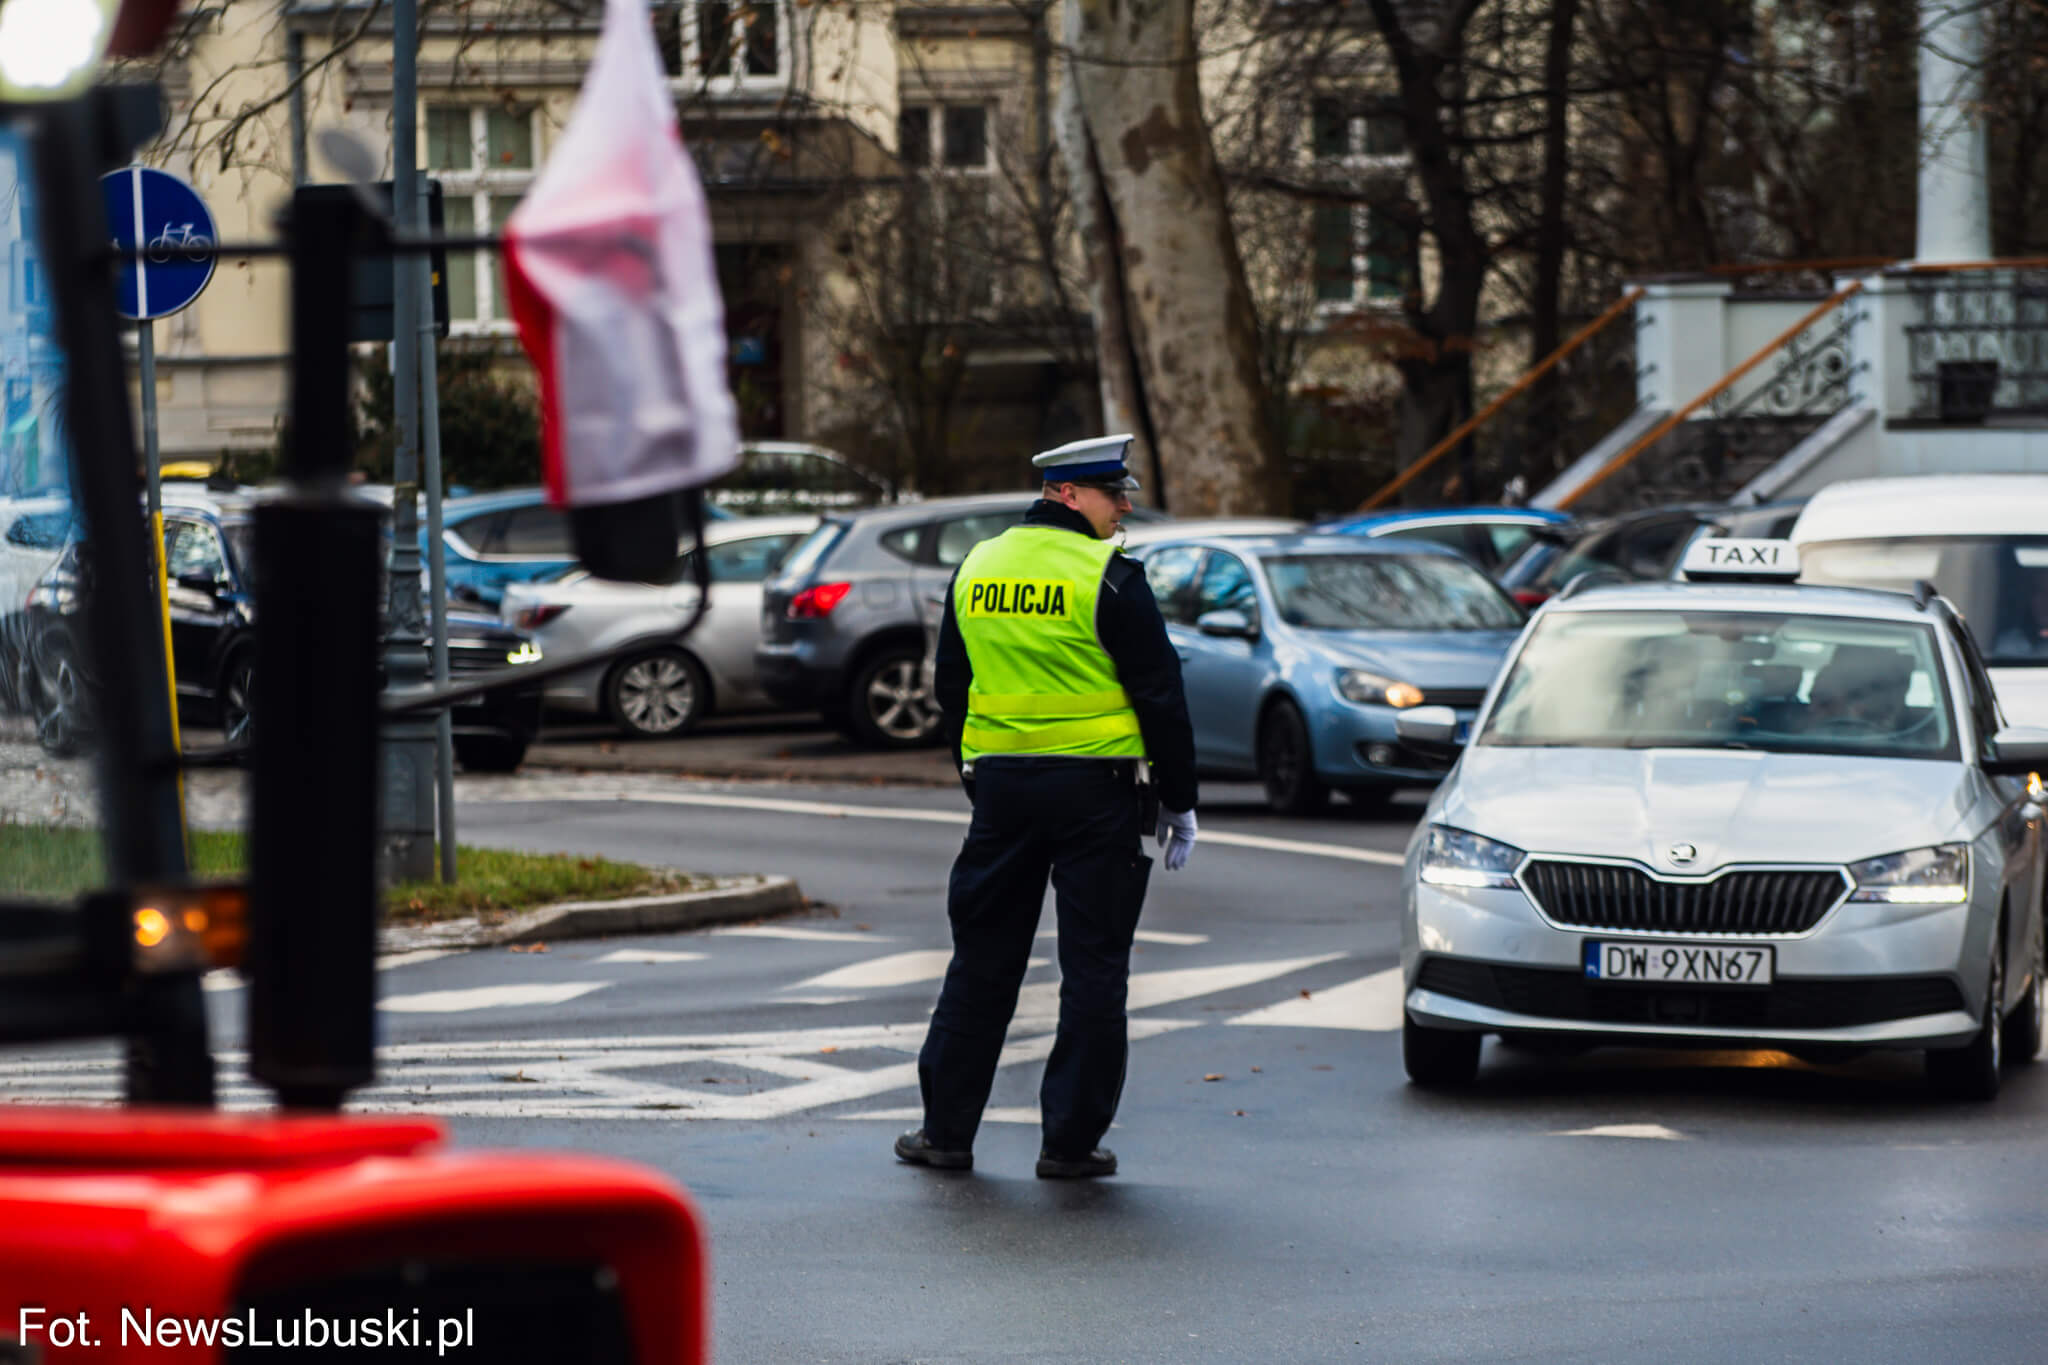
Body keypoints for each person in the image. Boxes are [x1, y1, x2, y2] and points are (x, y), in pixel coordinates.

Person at [894, 434, 1198, 1180]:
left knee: (982, 959)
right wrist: (1180, 799)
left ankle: (945, 1133)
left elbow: (952, 685)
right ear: (1067, 494)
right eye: (1113, 493)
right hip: (1097, 794)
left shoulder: (977, 566)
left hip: (1002, 791)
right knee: (1094, 967)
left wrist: (976, 769)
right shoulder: (1109, 575)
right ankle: (1070, 1143)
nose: (1125, 507)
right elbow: (1160, 692)